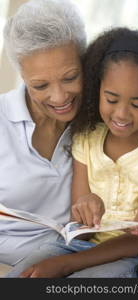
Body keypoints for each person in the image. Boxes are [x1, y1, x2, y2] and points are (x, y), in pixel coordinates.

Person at [9, 27, 138, 278]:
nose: (122, 114)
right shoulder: (88, 138)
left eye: (137, 104)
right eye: (111, 99)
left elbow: (137, 241)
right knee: (24, 274)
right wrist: (84, 208)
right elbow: (82, 231)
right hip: (83, 246)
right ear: (97, 89)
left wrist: (65, 265)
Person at [0, 0, 86, 268]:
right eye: (40, 85)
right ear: (23, 76)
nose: (60, 97)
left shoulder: (106, 118)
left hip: (75, 260)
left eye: (70, 77)